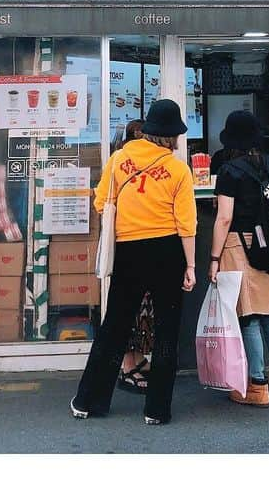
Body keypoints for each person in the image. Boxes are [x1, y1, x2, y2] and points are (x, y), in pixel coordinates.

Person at [71, 99, 197, 425]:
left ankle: (89, 401)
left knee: (114, 326)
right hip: (167, 250)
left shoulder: (119, 159)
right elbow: (186, 224)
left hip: (129, 250)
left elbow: (101, 203)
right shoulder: (178, 169)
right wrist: (191, 266)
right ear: (172, 136)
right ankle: (157, 410)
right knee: (167, 331)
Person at [209, 110, 269, 408]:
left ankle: (257, 385)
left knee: (248, 315)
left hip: (240, 246)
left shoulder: (229, 170)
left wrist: (213, 258)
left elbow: (224, 218)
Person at [114, 120, 154, 395]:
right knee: (136, 306)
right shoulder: (129, 163)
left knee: (134, 306)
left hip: (127, 244)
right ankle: (129, 365)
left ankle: (134, 360)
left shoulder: (119, 161)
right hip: (136, 243)